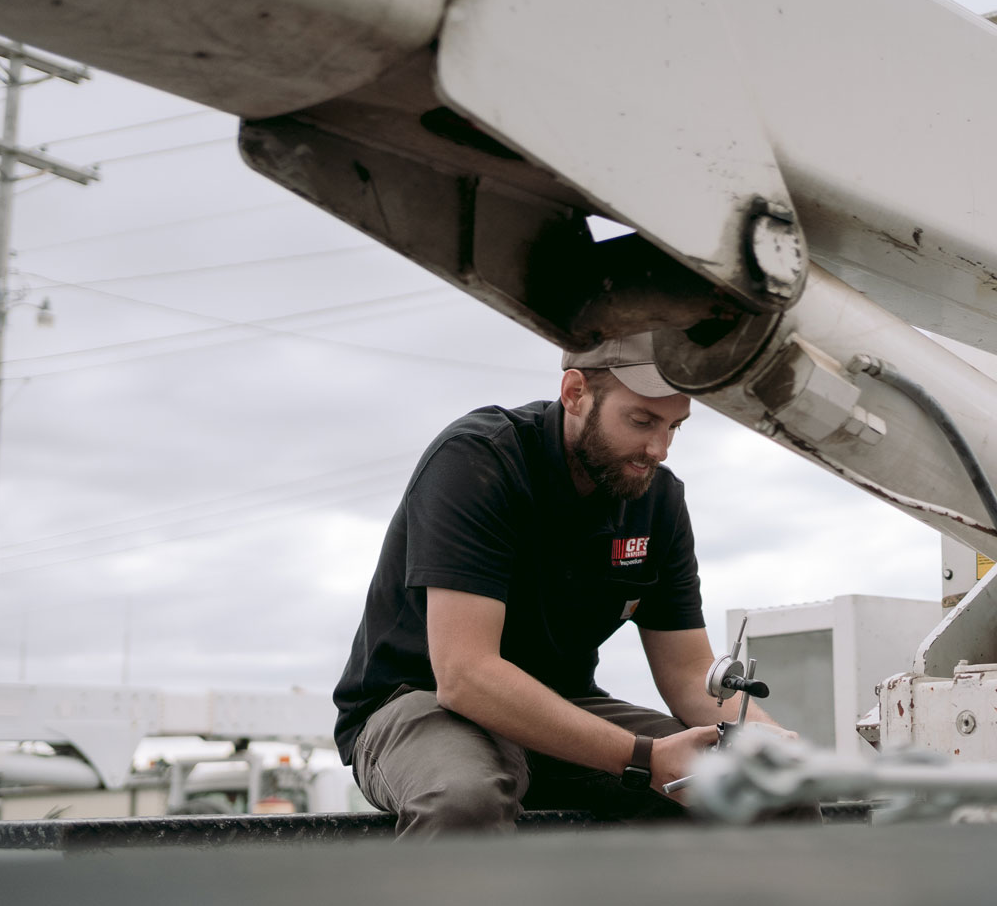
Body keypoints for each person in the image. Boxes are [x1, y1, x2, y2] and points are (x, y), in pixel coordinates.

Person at [332, 334, 783, 836]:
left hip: (563, 704)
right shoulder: (479, 460)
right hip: (424, 699)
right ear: (575, 392)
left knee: (764, 791)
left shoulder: (658, 501)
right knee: (465, 800)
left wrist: (775, 743)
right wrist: (645, 758)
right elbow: (466, 675)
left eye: (674, 426)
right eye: (641, 421)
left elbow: (687, 671)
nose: (658, 449)